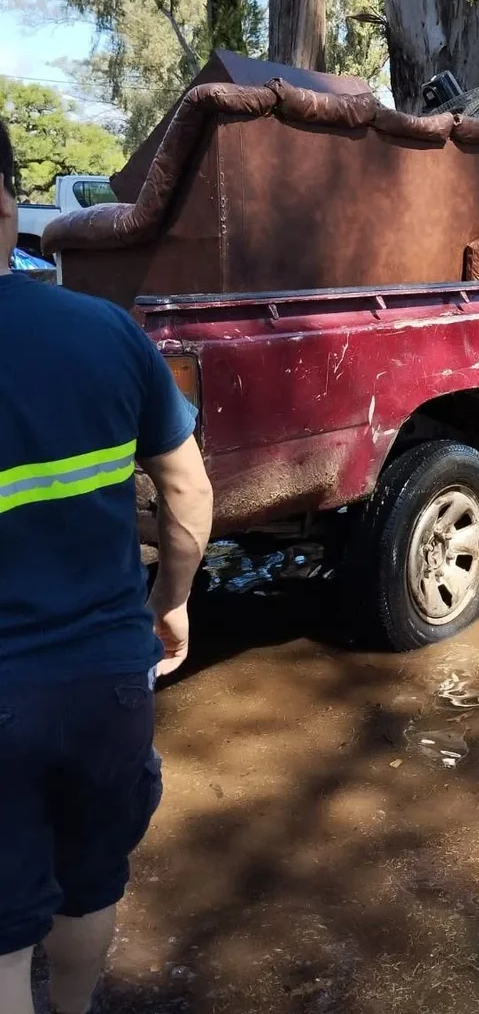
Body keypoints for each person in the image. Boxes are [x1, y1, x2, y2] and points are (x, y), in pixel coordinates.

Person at [0, 119, 214, 1014]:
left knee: (5, 935)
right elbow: (190, 498)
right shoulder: (106, 332)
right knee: (92, 885)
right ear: (9, 201)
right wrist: (169, 602)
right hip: (104, 681)